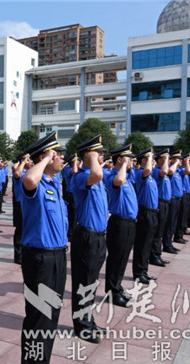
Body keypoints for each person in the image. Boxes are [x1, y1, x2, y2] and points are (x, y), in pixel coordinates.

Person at [19, 131, 67, 364]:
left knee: (51, 316)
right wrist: (46, 159)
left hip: (57, 257)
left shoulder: (53, 183)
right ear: (45, 158)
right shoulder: (34, 183)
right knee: (39, 318)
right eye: (58, 155)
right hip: (40, 258)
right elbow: (28, 180)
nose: (62, 159)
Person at [70, 134, 108, 344]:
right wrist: (91, 158)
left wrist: (93, 157)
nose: (102, 155)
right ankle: (82, 325)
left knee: (91, 282)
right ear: (88, 155)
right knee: (84, 282)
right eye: (98, 152)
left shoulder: (96, 175)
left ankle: (88, 319)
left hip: (98, 237)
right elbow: (96, 174)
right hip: (86, 237)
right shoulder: (80, 177)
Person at [104, 144, 137, 308]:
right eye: (128, 158)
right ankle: (112, 292)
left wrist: (126, 165)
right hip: (119, 223)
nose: (132, 161)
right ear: (120, 159)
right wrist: (123, 164)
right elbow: (118, 180)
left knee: (123, 258)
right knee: (116, 259)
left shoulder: (128, 177)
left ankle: (117, 286)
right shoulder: (113, 177)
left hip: (129, 223)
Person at [132, 148, 161, 284]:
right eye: (151, 159)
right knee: (142, 244)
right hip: (144, 213)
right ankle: (139, 272)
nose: (153, 162)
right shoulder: (140, 174)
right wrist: (149, 157)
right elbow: (147, 170)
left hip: (152, 212)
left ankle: (144, 271)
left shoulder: (150, 177)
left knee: (148, 243)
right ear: (144, 161)